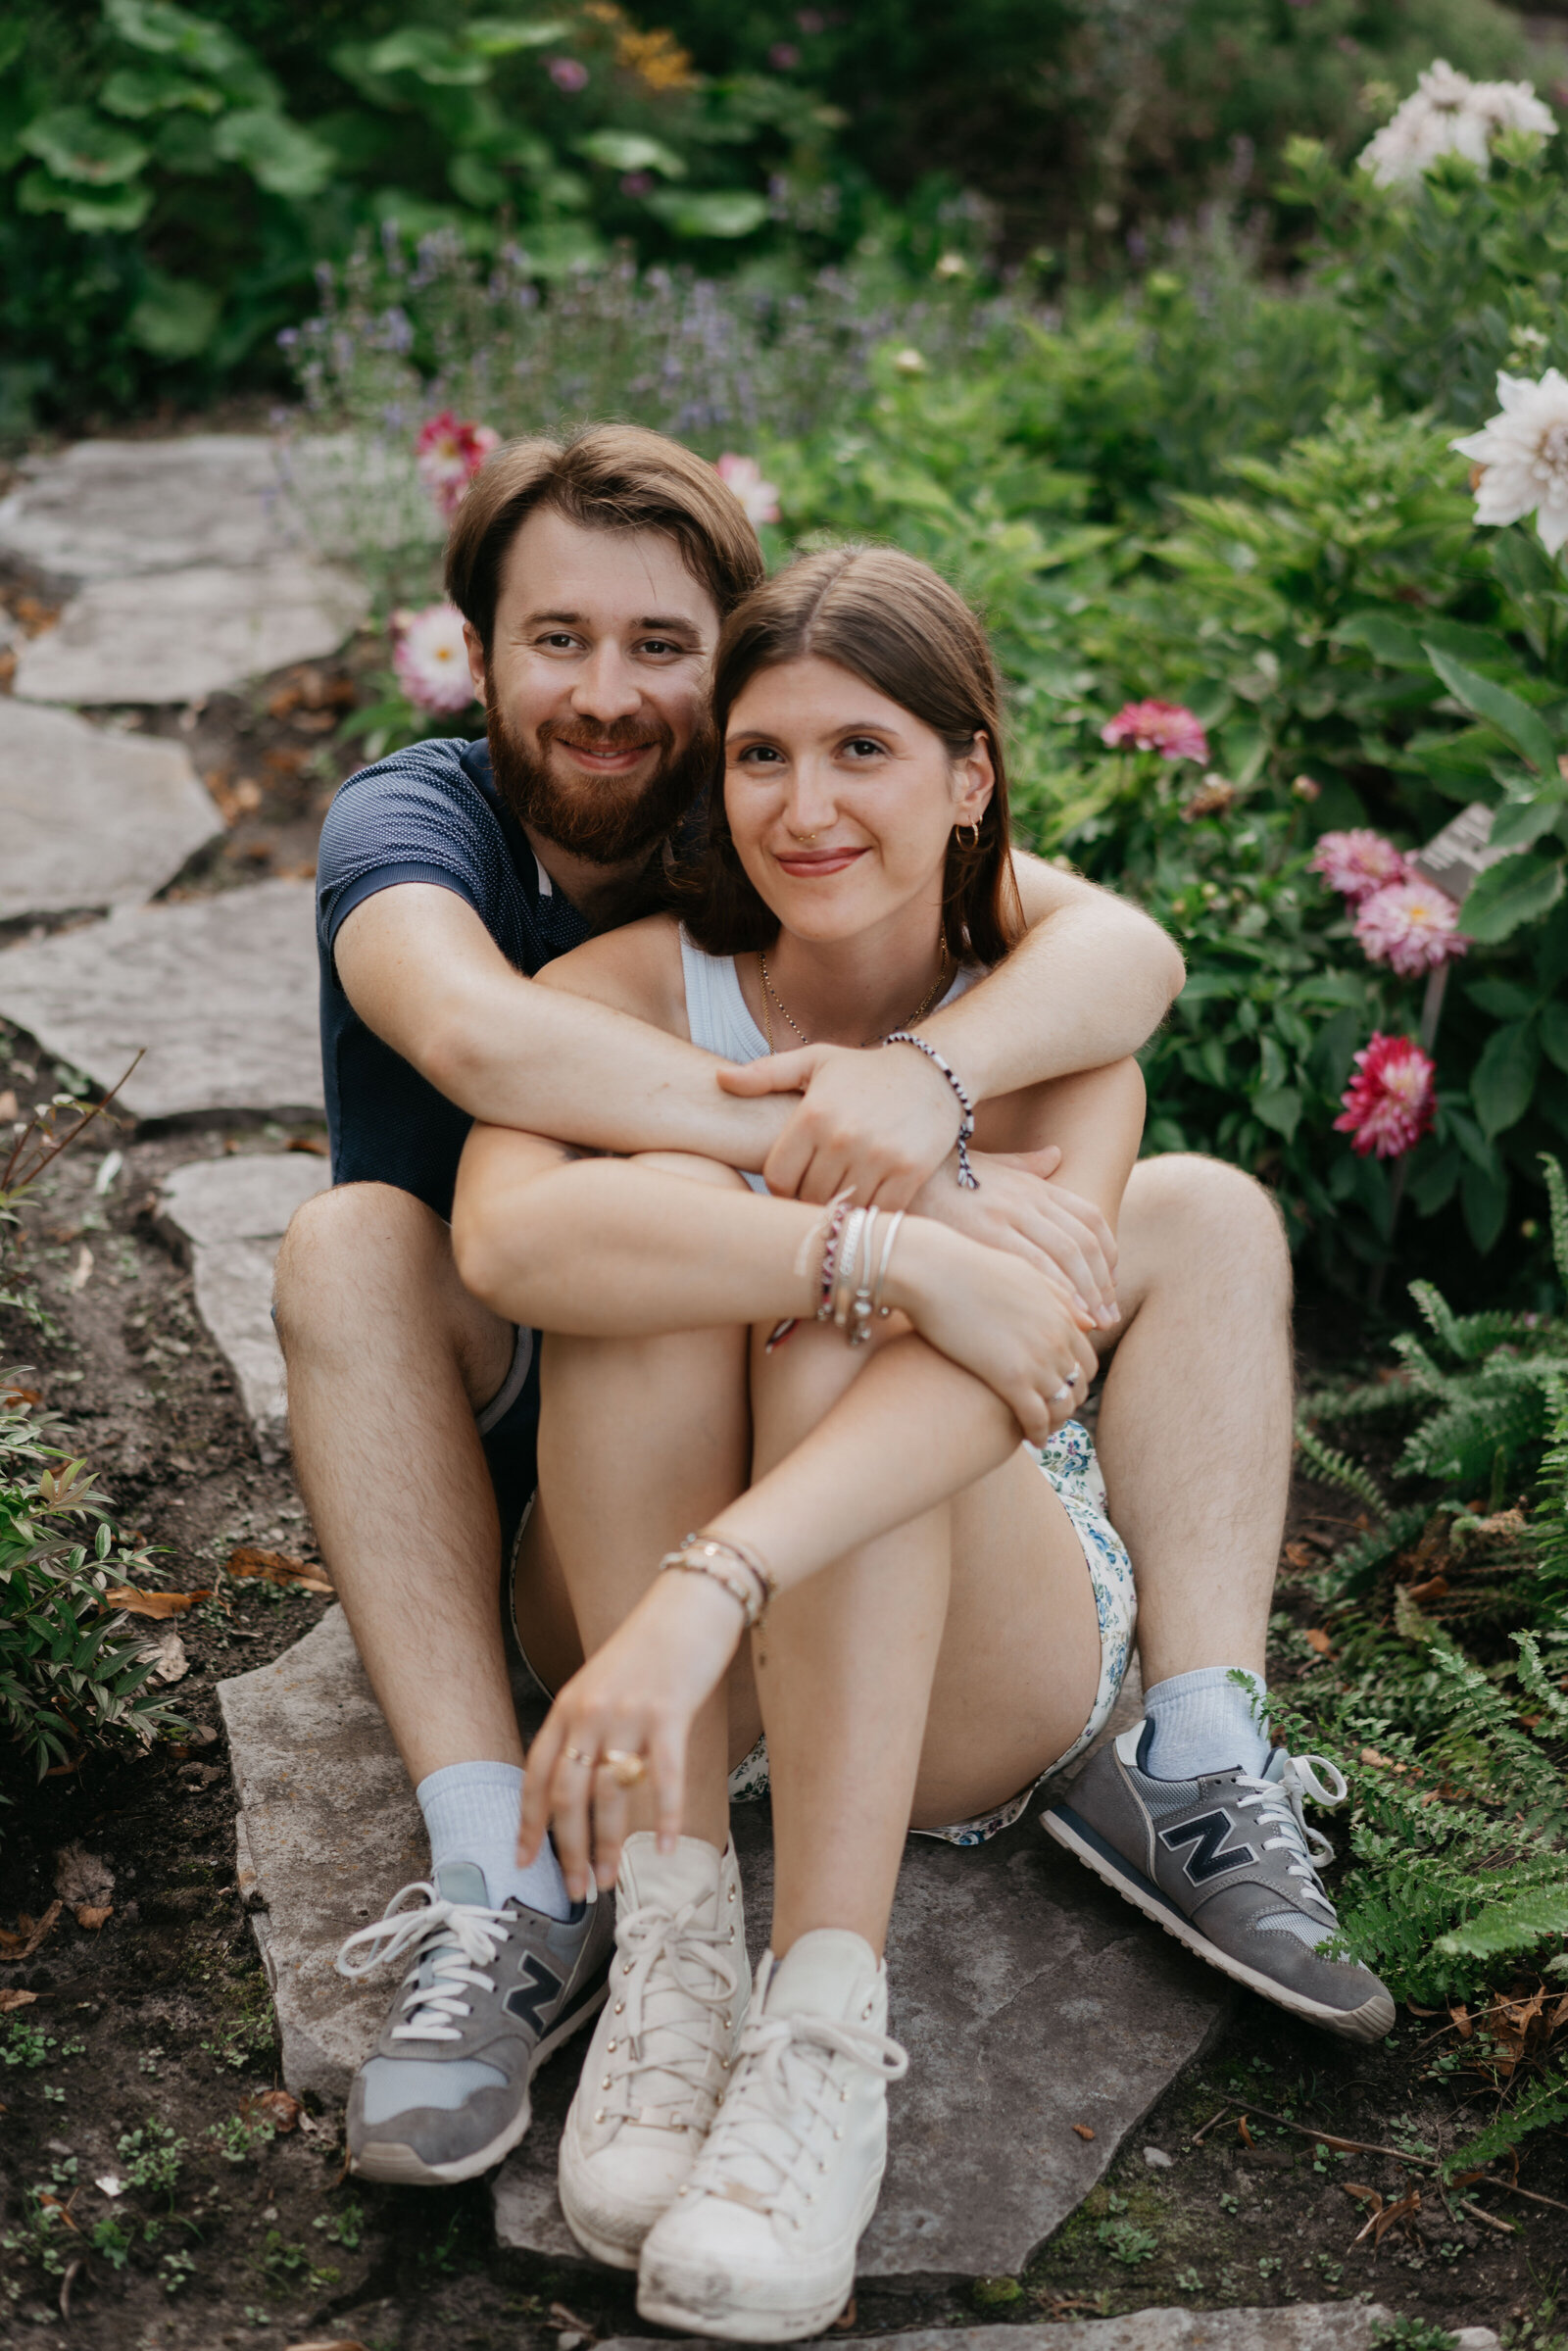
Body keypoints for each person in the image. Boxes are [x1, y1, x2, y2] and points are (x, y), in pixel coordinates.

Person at [272, 423, 1320, 2199]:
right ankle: (515, 1881)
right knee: (398, 1241)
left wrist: (930, 1077)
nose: (608, 693)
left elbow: (1123, 954)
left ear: (962, 774)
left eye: (664, 652)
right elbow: (476, 1056)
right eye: (556, 641)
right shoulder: (431, 832)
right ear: (480, 654)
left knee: (1177, 1218)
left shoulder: (914, 911)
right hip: (575, 1507)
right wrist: (834, 1171)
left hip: (890, 1612)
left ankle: (1180, 1768)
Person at [441, 545, 1393, 2339]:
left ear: (970, 779)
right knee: (710, 1251)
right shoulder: (625, 991)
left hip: (930, 1686)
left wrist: (719, 1577)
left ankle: (820, 2029)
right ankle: (674, 1945)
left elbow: (1017, 1366)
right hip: (639, 1681)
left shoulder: (1055, 1042)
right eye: (761, 756)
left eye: (862, 752)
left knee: (843, 1340)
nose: (804, 809)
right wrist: (884, 1234)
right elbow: (506, 1245)